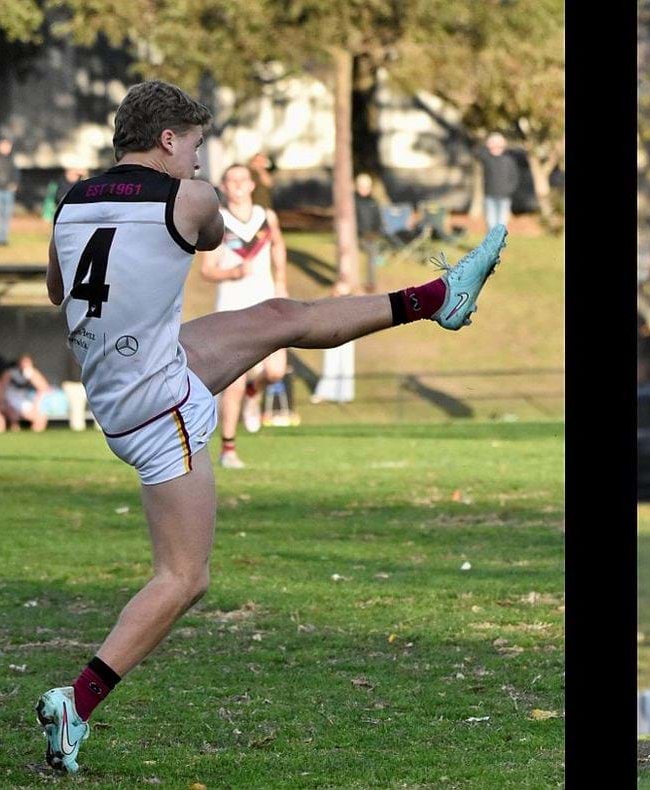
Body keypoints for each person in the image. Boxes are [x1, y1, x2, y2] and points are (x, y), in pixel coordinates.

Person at [35, 80, 507, 774]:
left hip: (126, 375)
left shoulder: (74, 199)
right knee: (184, 577)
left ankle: (439, 297)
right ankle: (76, 704)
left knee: (281, 318)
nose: (199, 161)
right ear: (168, 139)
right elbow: (213, 237)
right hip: (157, 405)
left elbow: (58, 288)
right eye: (194, 146)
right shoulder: (190, 196)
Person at [198, 163, 290, 469]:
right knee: (233, 381)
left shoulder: (267, 217)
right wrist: (234, 271)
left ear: (252, 185)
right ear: (223, 187)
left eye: (242, 179)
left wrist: (281, 283)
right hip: (232, 306)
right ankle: (228, 449)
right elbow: (207, 270)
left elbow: (278, 247)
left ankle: (256, 390)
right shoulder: (217, 222)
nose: (237, 184)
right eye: (230, 179)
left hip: (266, 302)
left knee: (276, 371)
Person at [0, 354, 53, 432]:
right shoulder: (10, 374)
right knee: (12, 419)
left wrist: (32, 376)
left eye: (28, 364)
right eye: (24, 363)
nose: (25, 366)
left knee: (41, 419)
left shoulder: (32, 373)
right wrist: (2, 403)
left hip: (23, 401)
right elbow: (0, 388)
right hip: (9, 401)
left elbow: (44, 387)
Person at [475, 133, 519, 231]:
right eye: (493, 145)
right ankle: (491, 245)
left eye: (498, 145)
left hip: (504, 197)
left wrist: (509, 190)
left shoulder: (509, 160)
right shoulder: (487, 158)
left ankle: (499, 245)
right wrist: (488, 144)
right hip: (490, 196)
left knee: (502, 223)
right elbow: (477, 152)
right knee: (491, 223)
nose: (496, 148)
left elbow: (514, 178)